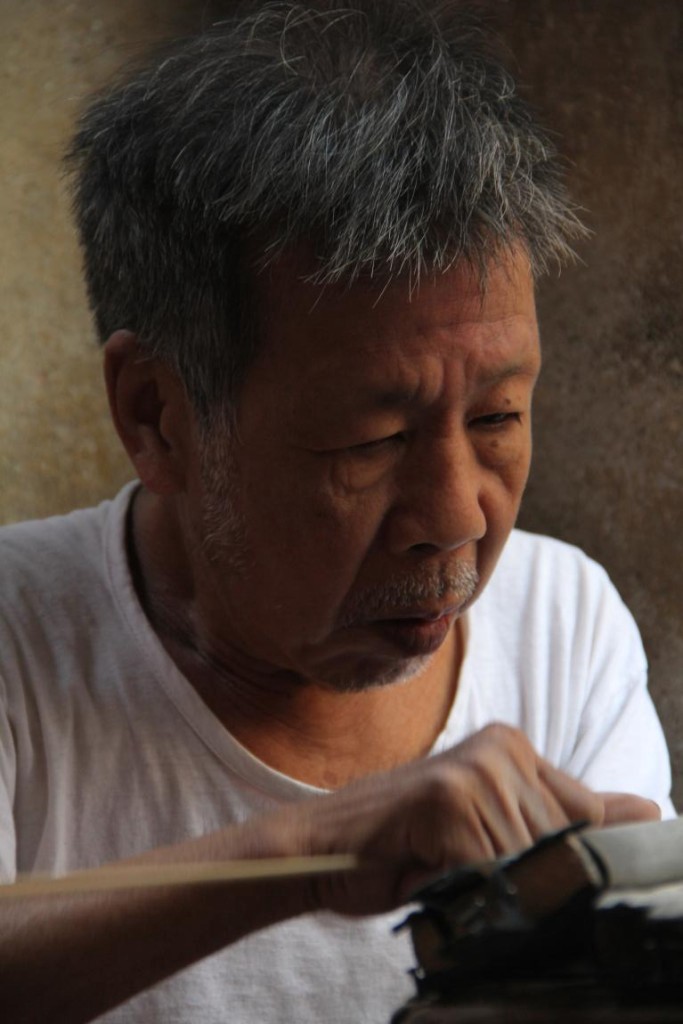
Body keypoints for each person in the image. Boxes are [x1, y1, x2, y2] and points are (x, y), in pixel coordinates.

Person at [0, 2, 672, 1021]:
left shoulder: (560, 625)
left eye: (495, 415)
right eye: (372, 441)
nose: (451, 517)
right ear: (157, 413)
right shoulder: (19, 636)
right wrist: (308, 854)